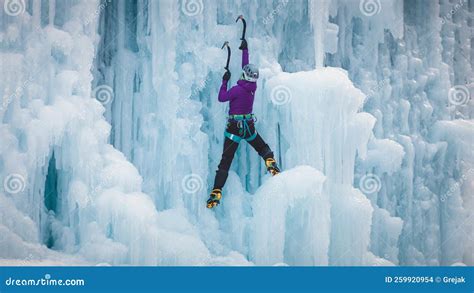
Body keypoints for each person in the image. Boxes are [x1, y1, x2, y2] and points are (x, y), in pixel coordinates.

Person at [207, 38, 281, 209]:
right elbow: (245, 67)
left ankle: (216, 191)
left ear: (244, 75)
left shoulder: (235, 90)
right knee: (262, 147)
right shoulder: (252, 88)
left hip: (234, 128)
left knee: (226, 160)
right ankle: (270, 162)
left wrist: (225, 81)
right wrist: (245, 50)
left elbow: (221, 98)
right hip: (248, 127)